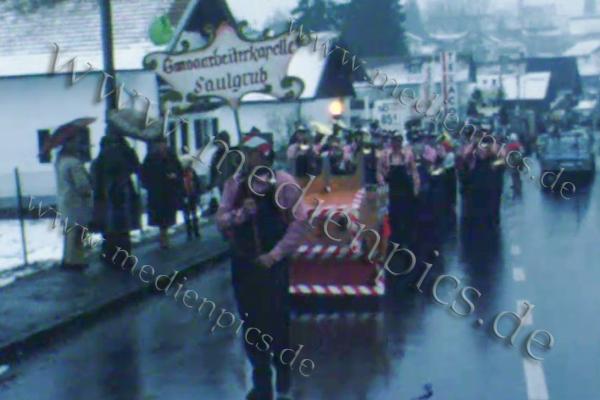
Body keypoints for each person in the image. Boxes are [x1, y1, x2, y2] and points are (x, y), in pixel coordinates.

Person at [217, 133, 308, 400]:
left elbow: (301, 221)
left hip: (273, 264)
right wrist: (241, 214)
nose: (246, 158)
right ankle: (261, 382)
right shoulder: (235, 184)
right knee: (251, 322)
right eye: (245, 153)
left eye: (251, 153)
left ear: (264, 155)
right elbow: (220, 220)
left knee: (277, 320)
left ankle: (283, 376)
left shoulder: (283, 183)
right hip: (244, 263)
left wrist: (275, 254)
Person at [47, 119, 94, 269]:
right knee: (77, 234)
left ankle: (68, 260)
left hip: (65, 201)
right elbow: (83, 186)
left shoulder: (60, 161)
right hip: (77, 203)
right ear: (69, 143)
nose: (78, 143)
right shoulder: (74, 163)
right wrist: (89, 190)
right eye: (75, 140)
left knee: (69, 233)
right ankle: (76, 262)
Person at [91, 133, 141, 263]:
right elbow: (136, 168)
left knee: (110, 231)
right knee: (122, 231)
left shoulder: (100, 160)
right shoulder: (123, 158)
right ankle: (122, 258)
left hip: (107, 199)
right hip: (120, 198)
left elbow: (95, 182)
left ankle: (110, 256)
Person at [141, 136, 183, 249]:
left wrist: (175, 177)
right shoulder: (150, 158)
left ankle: (164, 237)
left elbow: (179, 170)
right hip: (156, 192)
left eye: (162, 143)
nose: (160, 146)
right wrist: (148, 184)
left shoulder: (171, 156)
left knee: (167, 216)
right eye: (158, 144)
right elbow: (143, 173)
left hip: (169, 191)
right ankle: (163, 237)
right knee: (160, 217)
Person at [378, 134, 420, 248]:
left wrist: (416, 187)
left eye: (399, 141)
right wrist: (382, 184)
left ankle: (406, 240)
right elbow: (379, 171)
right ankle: (393, 241)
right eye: (394, 140)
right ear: (391, 142)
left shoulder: (408, 154)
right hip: (391, 191)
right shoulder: (385, 155)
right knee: (392, 218)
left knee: (407, 216)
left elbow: (414, 171)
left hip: (405, 191)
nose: (396, 143)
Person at [181, 156, 202, 240]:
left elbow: (197, 183)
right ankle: (189, 233)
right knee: (187, 215)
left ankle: (196, 231)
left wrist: (198, 193)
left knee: (194, 214)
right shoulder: (181, 174)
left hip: (192, 195)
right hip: (185, 196)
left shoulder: (192, 172)